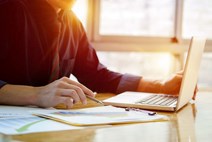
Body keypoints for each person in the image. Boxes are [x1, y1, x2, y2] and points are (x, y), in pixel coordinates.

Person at [0, 0, 186, 109]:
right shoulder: (7, 9)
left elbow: (96, 75)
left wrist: (160, 85)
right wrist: (36, 95)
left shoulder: (72, 22)